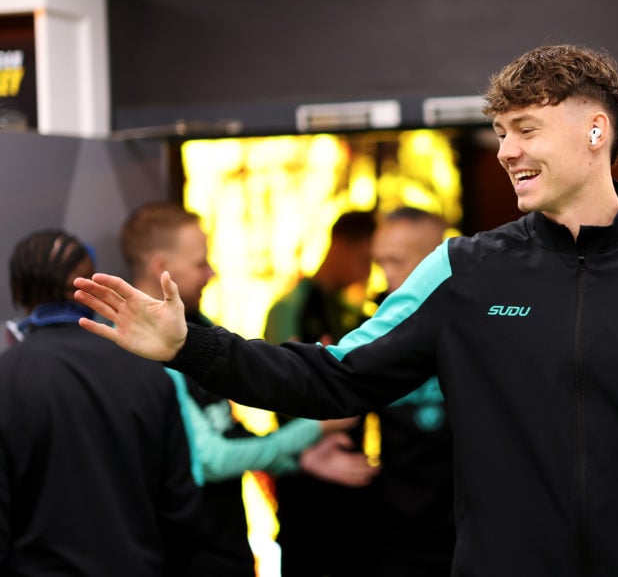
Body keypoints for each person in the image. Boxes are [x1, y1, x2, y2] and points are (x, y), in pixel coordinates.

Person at [76, 44, 618, 576]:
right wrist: (191, 345)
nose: (505, 150)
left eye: (525, 128)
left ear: (596, 129)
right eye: (500, 132)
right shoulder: (464, 270)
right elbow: (334, 377)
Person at [120, 202, 375, 577]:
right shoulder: (141, 353)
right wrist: (313, 429)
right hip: (184, 552)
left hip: (223, 540)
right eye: (200, 262)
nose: (212, 272)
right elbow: (211, 458)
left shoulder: (198, 329)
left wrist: (298, 459)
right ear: (162, 268)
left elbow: (227, 427)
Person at [0, 228, 203, 575]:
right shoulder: (150, 373)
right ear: (89, 288)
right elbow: (181, 506)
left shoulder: (7, 378)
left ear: (18, 291)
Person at [262, 210, 380, 577]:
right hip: (305, 479)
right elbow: (278, 390)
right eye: (367, 260)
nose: (368, 271)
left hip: (347, 478)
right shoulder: (290, 308)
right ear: (342, 245)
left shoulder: (353, 311)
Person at [365, 207, 454, 577]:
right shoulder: (371, 332)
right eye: (380, 262)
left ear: (432, 260)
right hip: (394, 531)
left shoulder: (480, 327)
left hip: (463, 526)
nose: (387, 277)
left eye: (397, 262)